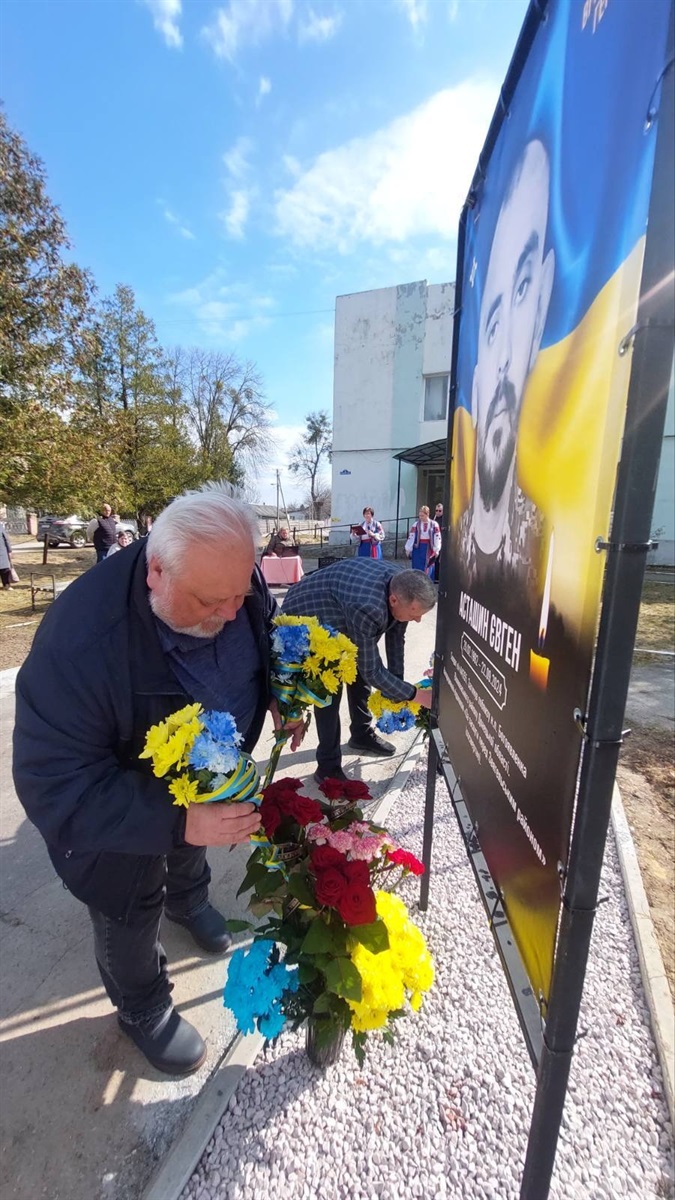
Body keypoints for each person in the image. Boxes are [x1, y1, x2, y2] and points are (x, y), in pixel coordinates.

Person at [13, 483, 305, 1077]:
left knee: (192, 840)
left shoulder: (224, 571)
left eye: (239, 594)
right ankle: (141, 1005)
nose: (231, 613)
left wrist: (279, 686)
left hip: (199, 767)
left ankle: (188, 900)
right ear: (155, 572)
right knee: (128, 905)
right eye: (210, 602)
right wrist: (177, 819)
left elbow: (259, 622)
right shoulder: (80, 644)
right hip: (122, 809)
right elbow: (56, 785)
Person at [456, 139, 554, 597]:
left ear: (542, 309)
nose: (507, 361)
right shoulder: (459, 542)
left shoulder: (545, 544)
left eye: (523, 289)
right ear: (475, 382)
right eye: (493, 324)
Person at [282, 559, 436, 782]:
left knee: (359, 670)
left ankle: (361, 734)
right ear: (393, 600)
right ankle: (327, 766)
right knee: (329, 689)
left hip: (340, 601)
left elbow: (395, 637)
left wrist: (397, 689)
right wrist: (417, 695)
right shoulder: (368, 607)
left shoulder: (403, 585)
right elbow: (372, 671)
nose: (418, 620)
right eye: (415, 614)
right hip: (306, 611)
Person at [405, 506, 441, 576]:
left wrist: (436, 549)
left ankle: (427, 581)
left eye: (422, 516)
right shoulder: (416, 524)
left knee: (427, 566)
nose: (420, 517)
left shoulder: (434, 524)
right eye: (420, 516)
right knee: (417, 566)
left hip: (428, 548)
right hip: (417, 548)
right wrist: (408, 549)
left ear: (427, 514)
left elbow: (437, 537)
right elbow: (411, 537)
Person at [0, 520, 13, 589]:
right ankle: (6, 585)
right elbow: (6, 539)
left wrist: (9, 550)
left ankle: (6, 585)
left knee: (4, 569)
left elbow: (6, 539)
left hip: (1, 552)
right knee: (4, 569)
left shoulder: (0, 527)